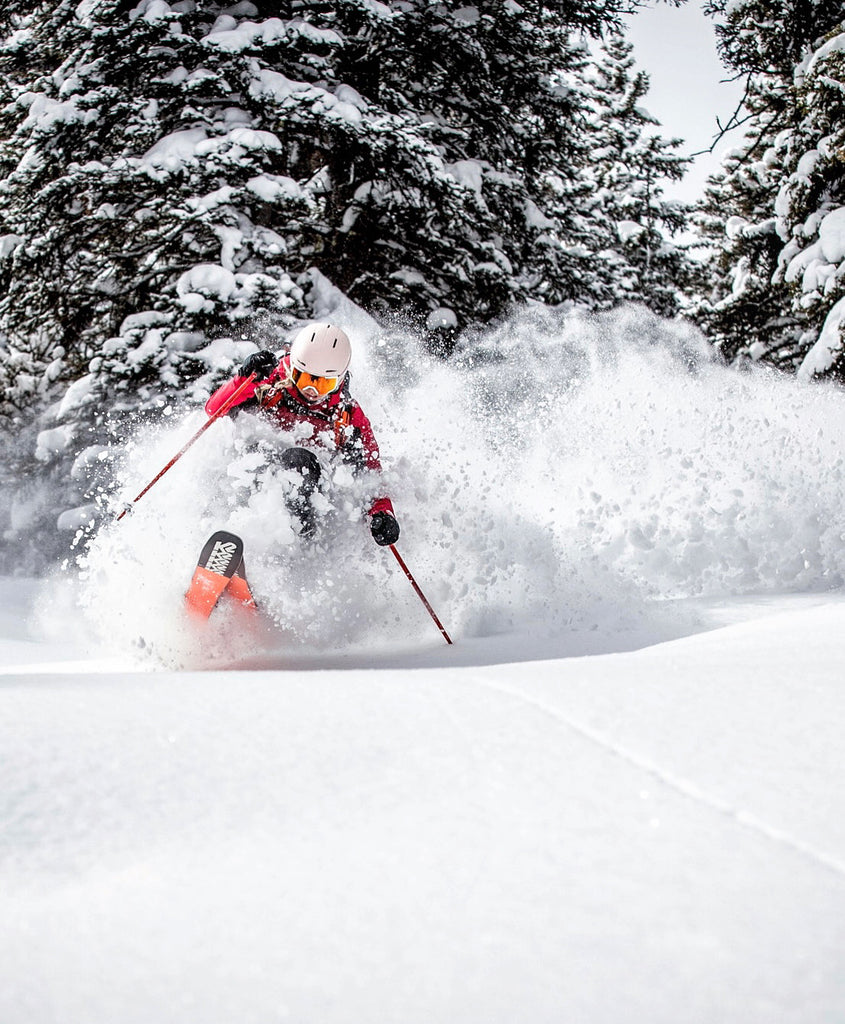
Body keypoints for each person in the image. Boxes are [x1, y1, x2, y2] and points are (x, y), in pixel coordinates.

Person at [205, 321, 400, 546]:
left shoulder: (347, 415)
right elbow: (214, 410)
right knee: (241, 457)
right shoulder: (269, 378)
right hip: (252, 467)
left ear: (339, 380)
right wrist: (244, 379)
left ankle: (292, 548)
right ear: (294, 367)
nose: (312, 392)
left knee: (299, 461)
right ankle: (218, 538)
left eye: (324, 383)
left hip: (311, 488)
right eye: (306, 379)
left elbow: (370, 472)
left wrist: (381, 513)